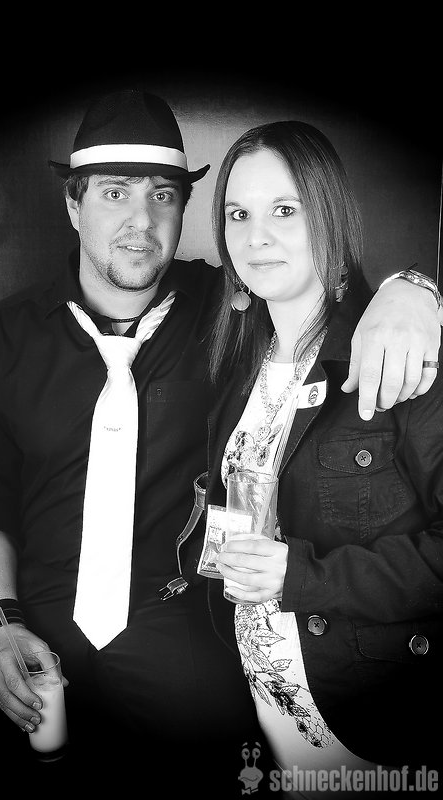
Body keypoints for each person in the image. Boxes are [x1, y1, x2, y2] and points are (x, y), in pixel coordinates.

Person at [0, 90, 440, 793]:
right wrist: (0, 623)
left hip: (200, 656)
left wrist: (414, 290)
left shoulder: (228, 311)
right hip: (45, 636)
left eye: (164, 196)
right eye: (114, 193)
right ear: (73, 205)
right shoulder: (3, 339)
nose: (141, 222)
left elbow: (321, 283)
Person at [206, 119, 442, 793]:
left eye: (285, 210)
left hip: (372, 730)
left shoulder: (398, 355)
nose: (256, 236)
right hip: (269, 721)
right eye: (238, 214)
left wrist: (302, 577)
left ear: (328, 214)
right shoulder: (237, 364)